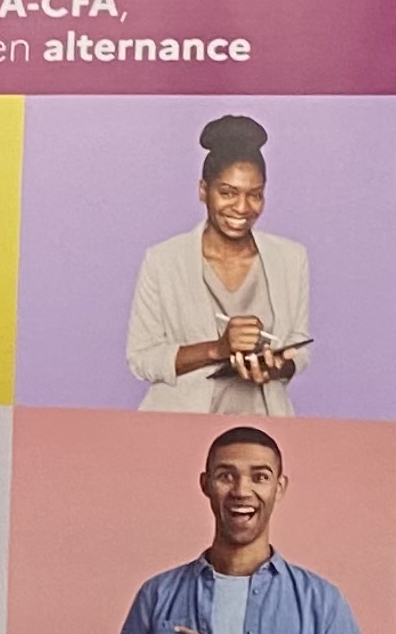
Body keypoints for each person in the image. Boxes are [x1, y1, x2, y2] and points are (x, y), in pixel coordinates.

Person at [115, 426, 374, 634]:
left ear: (279, 488)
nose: (241, 490)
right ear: (205, 484)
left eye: (260, 477)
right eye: (226, 476)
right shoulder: (156, 595)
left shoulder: (324, 603)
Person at [129, 113, 311, 415]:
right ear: (204, 190)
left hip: (264, 422)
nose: (242, 207)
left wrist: (277, 367)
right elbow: (141, 358)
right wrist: (218, 349)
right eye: (227, 193)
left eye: (255, 195)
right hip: (179, 422)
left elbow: (299, 347)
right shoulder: (163, 260)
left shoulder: (291, 258)